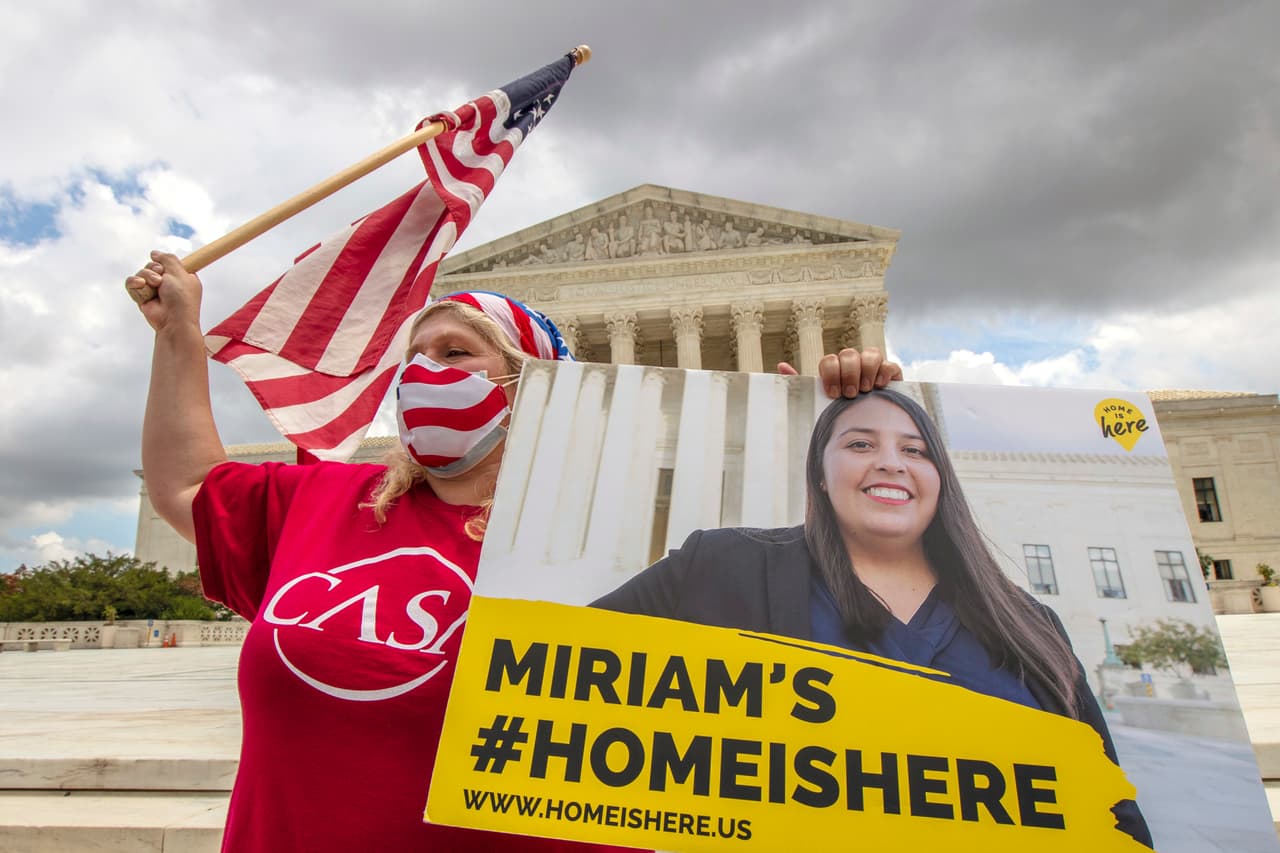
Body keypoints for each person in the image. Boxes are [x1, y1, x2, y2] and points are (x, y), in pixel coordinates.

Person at [129, 249, 899, 851]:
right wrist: (178, 337)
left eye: (455, 353)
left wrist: (827, 432)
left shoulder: (637, 536)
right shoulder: (327, 498)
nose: (423, 371)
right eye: (414, 356)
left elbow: (831, 638)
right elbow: (185, 487)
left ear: (530, 383)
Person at [593, 388, 1153, 848]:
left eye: (915, 450)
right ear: (819, 471)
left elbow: (1112, 816)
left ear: (941, 479)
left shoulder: (1032, 625)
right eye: (860, 443)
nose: (890, 461)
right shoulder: (719, 567)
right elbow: (541, 675)